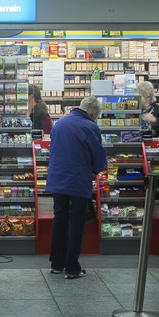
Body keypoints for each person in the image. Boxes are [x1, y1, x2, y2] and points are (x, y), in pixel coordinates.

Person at [46, 97, 107, 279]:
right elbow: (98, 159)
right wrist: (97, 168)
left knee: (60, 219)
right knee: (77, 223)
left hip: (57, 179)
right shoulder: (90, 127)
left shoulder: (60, 123)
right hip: (77, 181)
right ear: (94, 113)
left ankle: (56, 263)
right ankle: (72, 267)